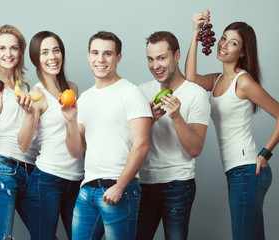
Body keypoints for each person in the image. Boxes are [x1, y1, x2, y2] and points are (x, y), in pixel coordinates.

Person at [185, 11, 279, 240]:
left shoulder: (243, 81)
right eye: (224, 38)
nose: (224, 45)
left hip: (247, 170)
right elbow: (189, 79)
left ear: (243, 52)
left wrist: (266, 153)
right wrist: (196, 32)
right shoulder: (217, 79)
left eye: (233, 42)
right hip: (238, 171)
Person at [60, 31, 152, 240]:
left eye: (107, 54)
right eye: (95, 53)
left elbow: (142, 145)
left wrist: (119, 186)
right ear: (88, 56)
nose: (100, 59)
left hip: (120, 189)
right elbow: (75, 151)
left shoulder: (131, 93)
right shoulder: (85, 98)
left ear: (118, 57)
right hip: (88, 190)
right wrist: (71, 121)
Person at [136, 31, 210, 240]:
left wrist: (177, 117)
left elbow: (195, 149)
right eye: (150, 59)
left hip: (178, 184)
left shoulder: (195, 93)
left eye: (161, 58)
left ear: (177, 55)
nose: (155, 65)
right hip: (143, 183)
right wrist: (150, 119)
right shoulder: (141, 91)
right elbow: (130, 141)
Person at [17, 31, 84, 240]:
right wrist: (29, 115)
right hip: (47, 180)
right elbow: (23, 145)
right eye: (44, 52)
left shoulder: (72, 89)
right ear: (36, 59)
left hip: (77, 179)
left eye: (56, 50)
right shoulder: (37, 96)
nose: (52, 57)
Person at [0, 25, 38, 240]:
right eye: (2, 48)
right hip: (3, 169)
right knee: (3, 238)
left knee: (44, 234)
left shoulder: (25, 87)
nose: (7, 54)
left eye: (13, 48)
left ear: (21, 51)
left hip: (30, 171)